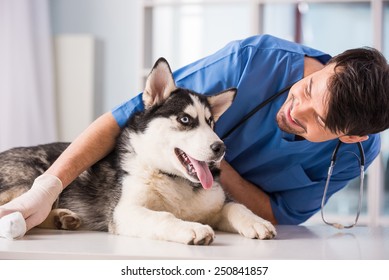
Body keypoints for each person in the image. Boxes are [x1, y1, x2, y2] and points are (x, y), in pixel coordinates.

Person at [1, 34, 388, 233]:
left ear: (350, 138)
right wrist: (48, 187)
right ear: (330, 64)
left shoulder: (359, 155)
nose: (293, 108)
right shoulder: (253, 60)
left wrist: (213, 159)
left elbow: (278, 215)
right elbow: (124, 118)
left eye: (314, 118)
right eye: (306, 87)